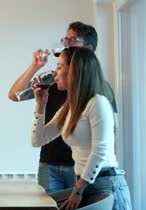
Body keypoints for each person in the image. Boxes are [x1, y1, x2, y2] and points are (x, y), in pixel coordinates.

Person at [31, 46, 132, 210]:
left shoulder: (97, 102)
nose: (54, 72)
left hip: (106, 186)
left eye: (60, 67)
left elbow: (101, 150)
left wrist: (78, 190)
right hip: (85, 186)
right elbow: (38, 139)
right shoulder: (70, 107)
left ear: (75, 71)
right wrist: (41, 104)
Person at [8, 21, 117, 196]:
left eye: (72, 40)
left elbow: (104, 141)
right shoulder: (55, 80)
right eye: (64, 39)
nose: (65, 44)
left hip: (85, 170)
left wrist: (79, 187)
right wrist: (35, 68)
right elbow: (15, 95)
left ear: (87, 49)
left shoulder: (99, 93)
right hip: (52, 162)